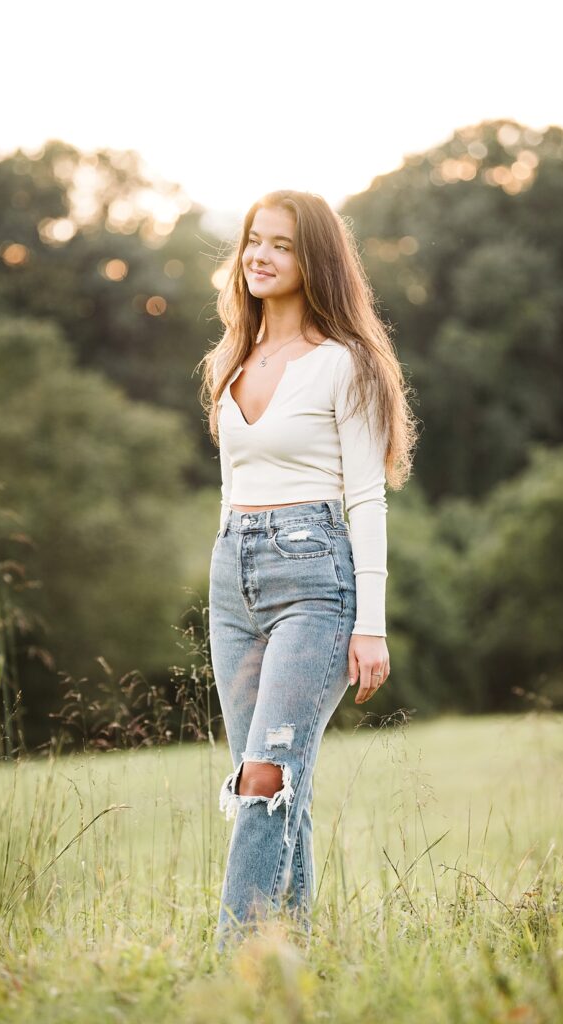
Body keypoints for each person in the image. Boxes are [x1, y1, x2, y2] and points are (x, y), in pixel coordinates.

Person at [199, 189, 419, 952]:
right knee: (272, 783)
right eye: (252, 240)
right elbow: (234, 487)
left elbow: (366, 497)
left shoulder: (343, 365)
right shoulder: (230, 360)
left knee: (264, 778)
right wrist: (228, 565)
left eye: (280, 245)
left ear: (313, 259)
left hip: (315, 577)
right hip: (233, 575)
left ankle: (235, 964)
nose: (258, 255)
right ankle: (289, 958)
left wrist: (370, 625)